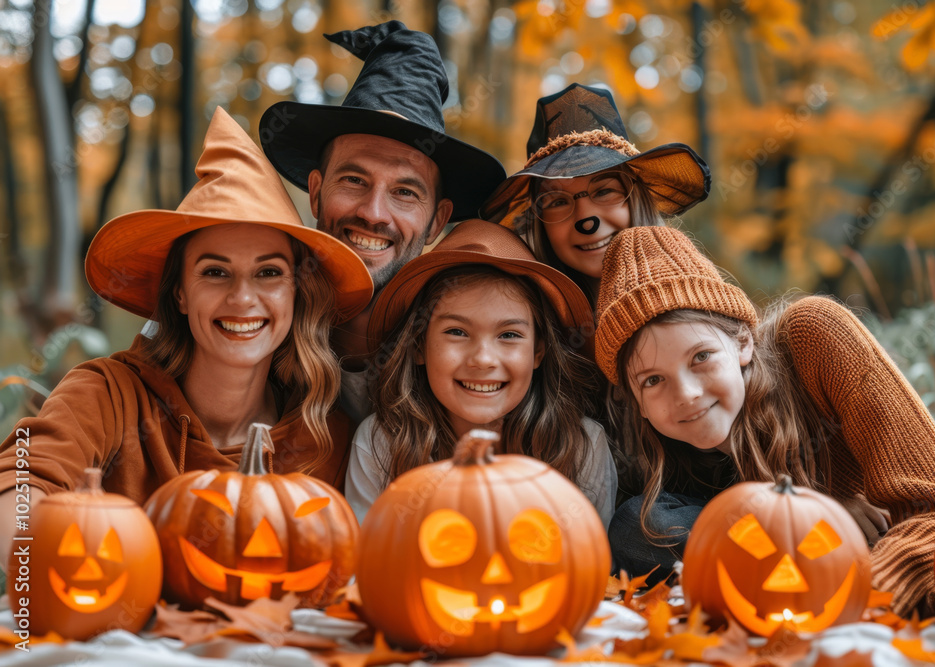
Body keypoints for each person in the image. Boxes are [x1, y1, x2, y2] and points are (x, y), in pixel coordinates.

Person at [0, 108, 374, 571]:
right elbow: (20, 482)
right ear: (179, 292)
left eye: (269, 273)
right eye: (215, 272)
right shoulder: (107, 392)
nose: (242, 298)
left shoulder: (324, 436)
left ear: (296, 292)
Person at [594, 225, 935, 616]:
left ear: (743, 341)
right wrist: (826, 512)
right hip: (795, 566)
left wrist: (854, 597)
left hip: (887, 558)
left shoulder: (815, 337)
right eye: (653, 380)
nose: (686, 393)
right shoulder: (669, 452)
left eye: (701, 357)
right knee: (639, 527)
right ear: (636, 401)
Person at [259, 21, 506, 424]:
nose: (374, 213)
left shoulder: (468, 346)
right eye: (354, 180)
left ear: (436, 222)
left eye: (405, 192)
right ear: (317, 192)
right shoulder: (250, 306)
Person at [346, 220, 616, 528]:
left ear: (538, 351)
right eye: (457, 331)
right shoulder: (381, 442)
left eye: (509, 335)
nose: (483, 359)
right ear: (419, 345)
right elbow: (368, 563)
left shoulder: (580, 445)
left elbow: (588, 563)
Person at [482, 82, 710, 305]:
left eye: (604, 191)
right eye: (558, 202)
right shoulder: (530, 326)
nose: (586, 220)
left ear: (636, 199)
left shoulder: (698, 302)